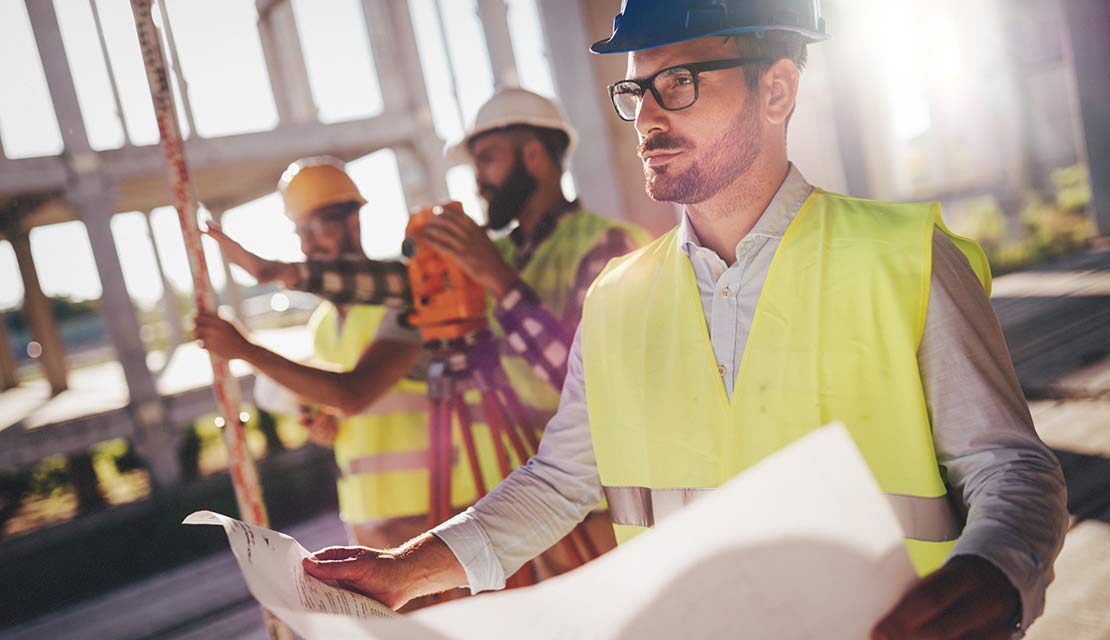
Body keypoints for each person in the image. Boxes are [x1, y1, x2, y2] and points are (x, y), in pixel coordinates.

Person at [295, 2, 1069, 639]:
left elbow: (1010, 467)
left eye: (682, 83)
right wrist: (407, 571)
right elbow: (560, 482)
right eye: (637, 92)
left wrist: (995, 574)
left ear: (777, 91)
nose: (648, 119)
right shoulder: (618, 296)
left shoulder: (907, 260)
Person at [204, 91, 651, 571]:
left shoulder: (607, 245)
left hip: (593, 495)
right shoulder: (495, 253)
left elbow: (594, 385)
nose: (477, 179)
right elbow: (392, 280)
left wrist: (500, 284)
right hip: (516, 499)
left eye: (487, 159)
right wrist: (283, 272)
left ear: (535, 155)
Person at [196, 157, 495, 549]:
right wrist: (325, 422)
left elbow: (353, 393)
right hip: (367, 520)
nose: (308, 243)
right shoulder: (322, 322)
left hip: (442, 510)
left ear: (353, 219)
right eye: (300, 230)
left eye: (318, 226)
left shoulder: (408, 296)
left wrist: (245, 351)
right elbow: (344, 407)